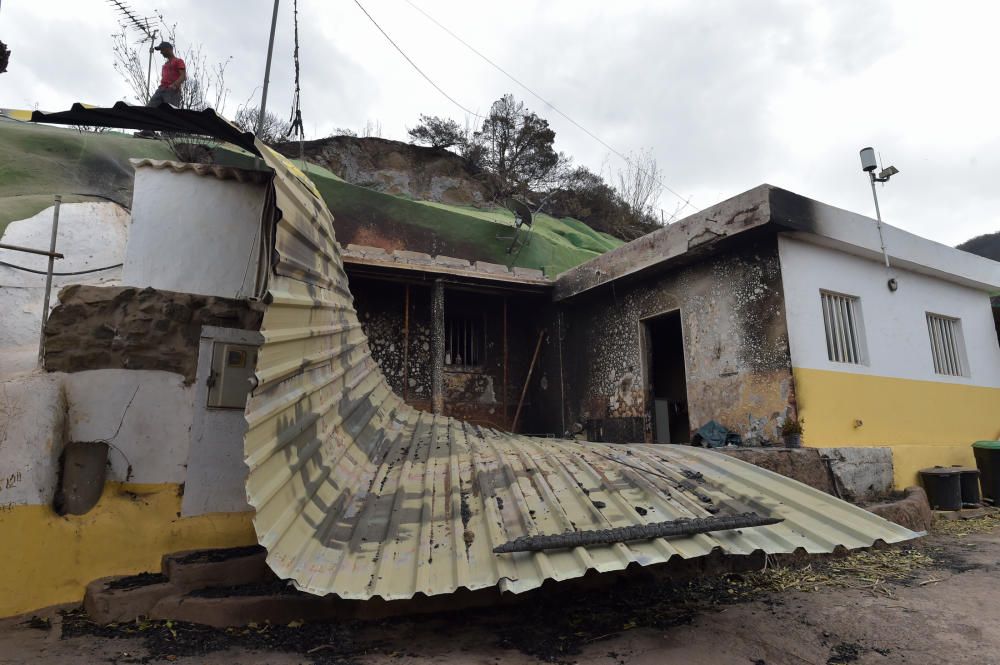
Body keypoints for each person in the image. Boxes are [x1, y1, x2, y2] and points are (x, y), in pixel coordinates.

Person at [147, 41, 186, 107]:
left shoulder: (178, 61)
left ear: (168, 49)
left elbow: (183, 76)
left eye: (162, 49)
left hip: (172, 91)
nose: (161, 52)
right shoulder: (165, 65)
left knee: (169, 111)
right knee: (149, 109)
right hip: (160, 90)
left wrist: (174, 85)